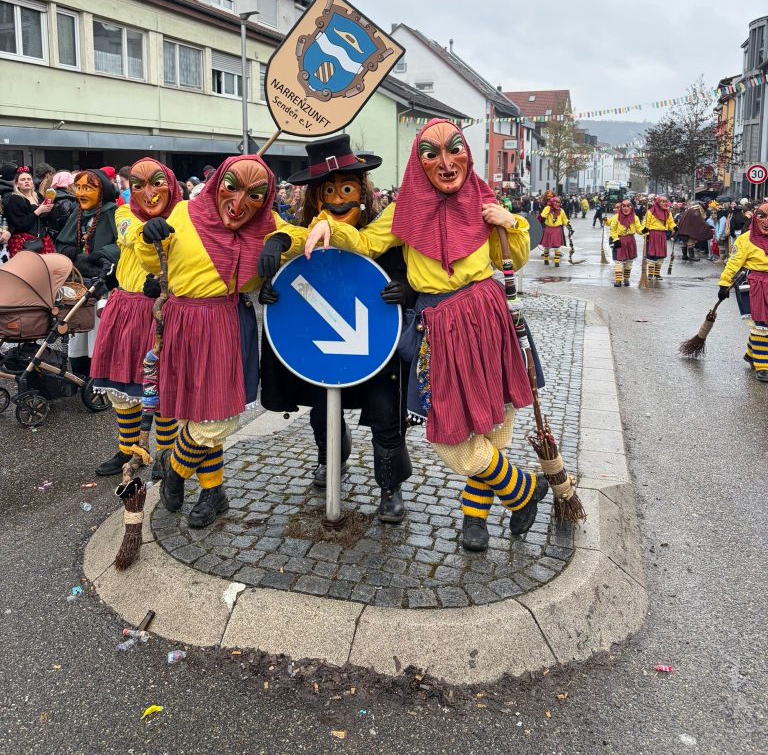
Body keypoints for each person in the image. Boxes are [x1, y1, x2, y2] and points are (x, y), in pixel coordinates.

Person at [303, 119, 547, 553]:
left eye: (454, 150)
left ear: (467, 154)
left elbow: (512, 259)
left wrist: (511, 223)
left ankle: (475, 518)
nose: (446, 163)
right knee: (452, 433)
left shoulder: (483, 201)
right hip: (440, 324)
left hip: (486, 312)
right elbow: (366, 243)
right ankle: (522, 491)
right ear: (419, 163)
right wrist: (328, 226)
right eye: (431, 154)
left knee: (491, 425)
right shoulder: (404, 210)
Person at [259, 135, 414, 523]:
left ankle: (390, 488)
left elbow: (411, 272)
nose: (338, 199)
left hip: (377, 344)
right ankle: (331, 457)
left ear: (361, 192)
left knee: (385, 413)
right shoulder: (302, 238)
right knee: (321, 411)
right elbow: (290, 280)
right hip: (323, 345)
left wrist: (405, 289)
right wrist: (272, 289)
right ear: (315, 198)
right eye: (328, 191)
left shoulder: (381, 233)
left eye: (346, 189)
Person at [137, 156, 298, 529]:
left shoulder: (264, 224)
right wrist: (148, 238)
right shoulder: (184, 213)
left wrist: (279, 239)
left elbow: (303, 234)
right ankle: (213, 492)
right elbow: (153, 262)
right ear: (216, 184)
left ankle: (175, 467)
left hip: (225, 319)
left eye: (255, 195)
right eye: (232, 187)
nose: (240, 203)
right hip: (181, 319)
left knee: (217, 414)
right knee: (196, 412)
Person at [90, 159, 183, 478]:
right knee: (123, 383)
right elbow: (130, 234)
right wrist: (148, 231)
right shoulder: (124, 213)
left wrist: (167, 283)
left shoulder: (182, 218)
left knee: (163, 386)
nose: (148, 192)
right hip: (127, 308)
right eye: (138, 185)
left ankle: (166, 454)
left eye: (156, 183)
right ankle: (129, 450)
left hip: (164, 309)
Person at [55, 169, 119, 374]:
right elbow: (62, 242)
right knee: (79, 329)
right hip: (79, 282)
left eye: (88, 188)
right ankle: (80, 372)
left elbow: (124, 243)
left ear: (102, 192)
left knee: (99, 329)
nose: (81, 193)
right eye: (79, 187)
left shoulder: (112, 212)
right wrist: (69, 250)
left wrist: (102, 254)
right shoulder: (78, 212)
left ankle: (100, 372)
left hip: (103, 283)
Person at [718, 201, 768, 383]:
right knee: (760, 325)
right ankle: (763, 367)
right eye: (762, 216)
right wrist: (724, 283)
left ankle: (751, 353)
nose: (766, 222)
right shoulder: (745, 239)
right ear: (755, 218)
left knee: (764, 326)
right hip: (753, 285)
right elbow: (733, 263)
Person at [4, 166, 55, 257]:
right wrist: (38, 211)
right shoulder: (14, 199)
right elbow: (20, 224)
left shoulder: (38, 196)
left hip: (43, 239)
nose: (26, 181)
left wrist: (49, 209)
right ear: (17, 184)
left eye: (29, 179)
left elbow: (46, 220)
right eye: (23, 179)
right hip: (24, 241)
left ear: (32, 182)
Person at [608, 199, 643, 287]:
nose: (626, 208)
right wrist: (616, 239)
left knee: (629, 262)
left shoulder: (635, 217)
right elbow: (612, 230)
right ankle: (618, 280)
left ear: (631, 207)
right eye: (624, 206)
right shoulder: (616, 217)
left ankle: (626, 279)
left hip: (630, 241)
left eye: (628, 206)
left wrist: (644, 231)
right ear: (621, 207)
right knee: (619, 261)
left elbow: (639, 229)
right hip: (619, 240)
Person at [641, 196, 676, 280]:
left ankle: (657, 274)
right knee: (651, 254)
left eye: (666, 201)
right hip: (652, 235)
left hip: (662, 235)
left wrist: (674, 227)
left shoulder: (668, 212)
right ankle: (650, 274)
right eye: (662, 201)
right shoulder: (650, 212)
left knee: (661, 255)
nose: (665, 203)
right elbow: (645, 224)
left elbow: (671, 223)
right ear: (658, 203)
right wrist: (646, 233)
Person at [45, 171, 79, 242]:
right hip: (64, 238)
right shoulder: (66, 200)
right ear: (69, 185)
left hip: (54, 235)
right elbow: (68, 224)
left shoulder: (52, 196)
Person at [539, 195, 570, 267]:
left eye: (559, 202)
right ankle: (546, 260)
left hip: (557, 230)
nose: (557, 204)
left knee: (557, 246)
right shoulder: (548, 209)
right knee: (547, 246)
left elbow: (564, 219)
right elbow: (543, 215)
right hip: (548, 229)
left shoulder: (561, 210)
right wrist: (548, 208)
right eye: (556, 202)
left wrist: (568, 224)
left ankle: (557, 262)